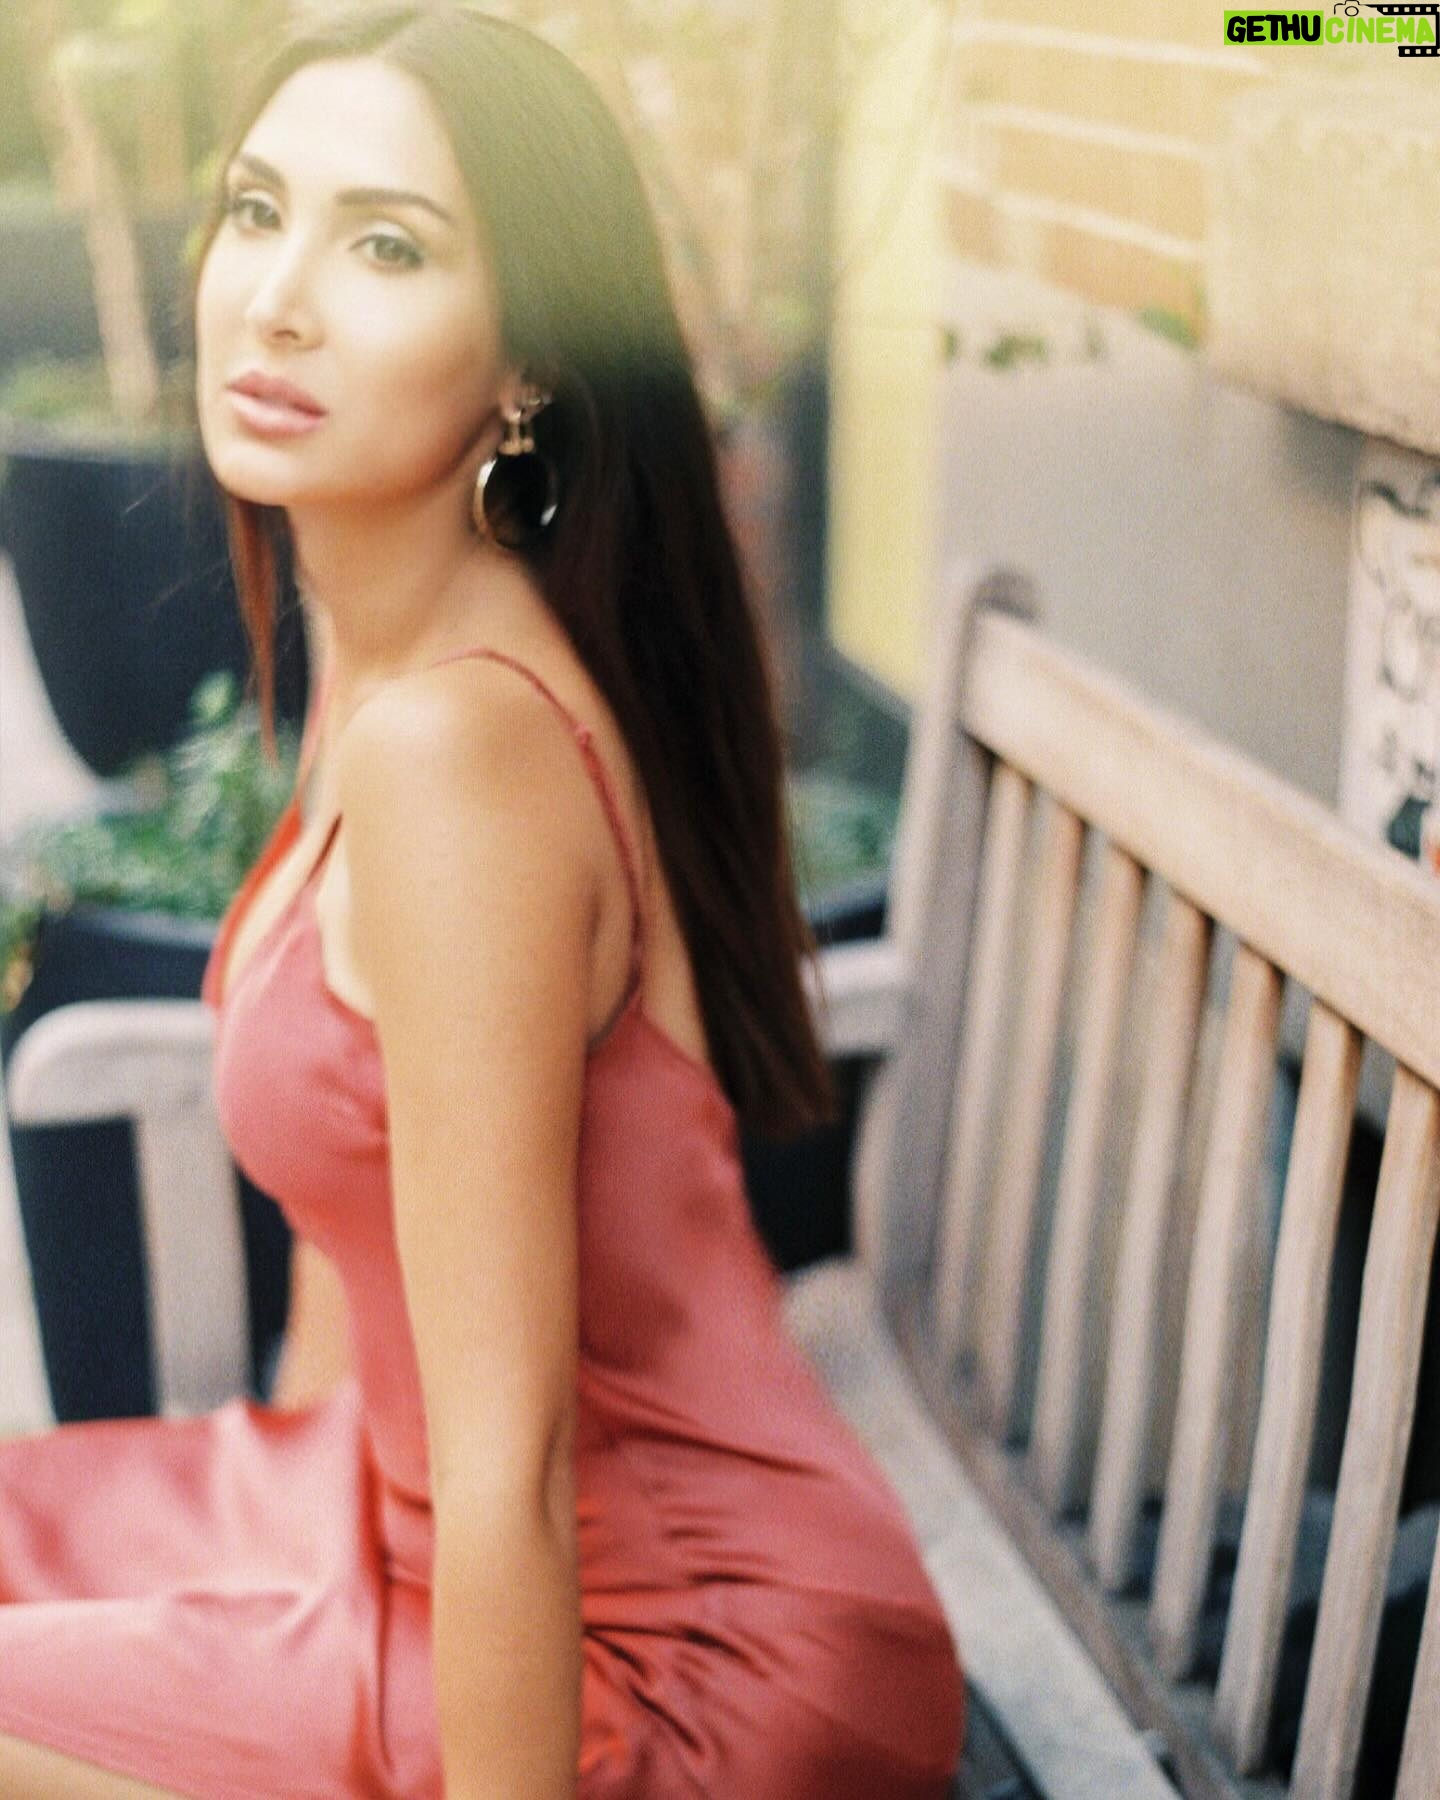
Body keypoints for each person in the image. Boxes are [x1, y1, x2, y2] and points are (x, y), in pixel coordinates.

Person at [0, 4, 966, 1794]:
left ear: (524, 361)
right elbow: (356, 1208)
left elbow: (515, 1463)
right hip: (401, 1524)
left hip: (669, 1661)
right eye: (257, 210)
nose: (278, 296)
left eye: (386, 247)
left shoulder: (461, 756)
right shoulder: (388, 653)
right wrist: (238, 1555)